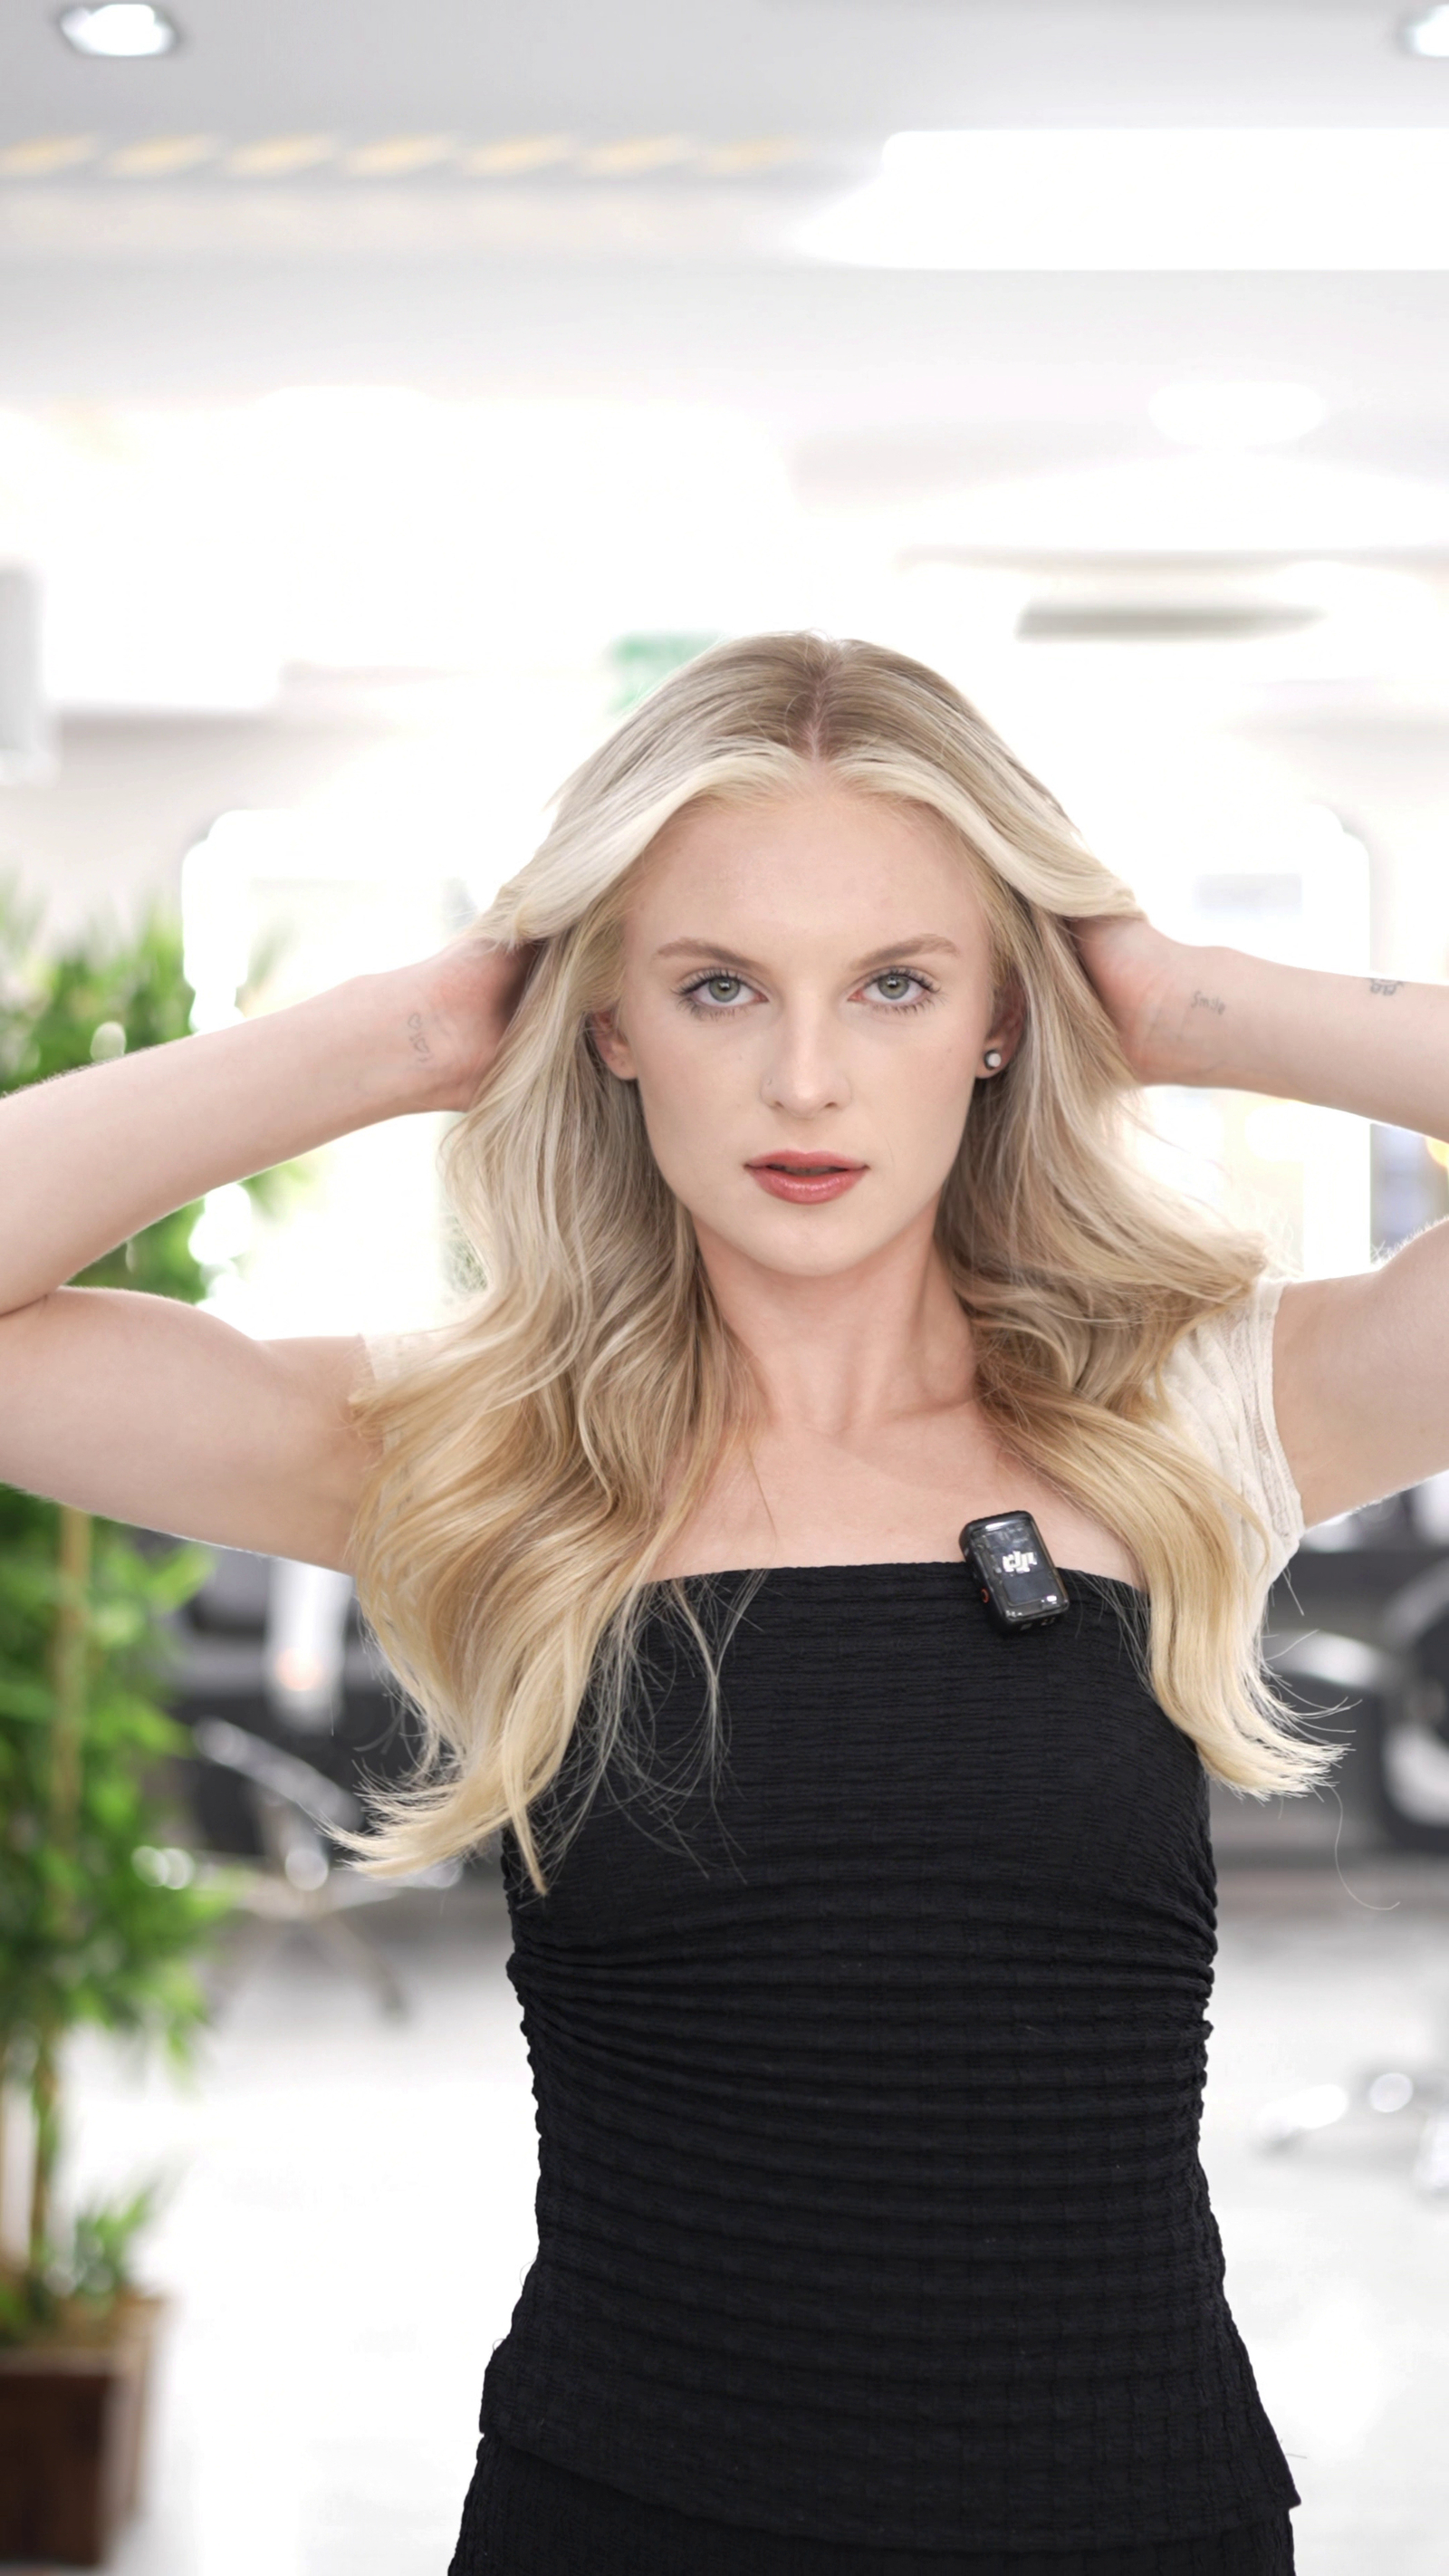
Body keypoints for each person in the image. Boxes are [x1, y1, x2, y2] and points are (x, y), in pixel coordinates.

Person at [1, 633, 1444, 2576]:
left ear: (998, 1019)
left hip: (1137, 2521)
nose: (803, 1078)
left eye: (895, 984)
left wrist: (1183, 999)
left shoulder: (1190, 1410)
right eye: (716, 986)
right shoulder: (471, 1449)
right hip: (623, 2523)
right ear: (607, 1021)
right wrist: (409, 1033)